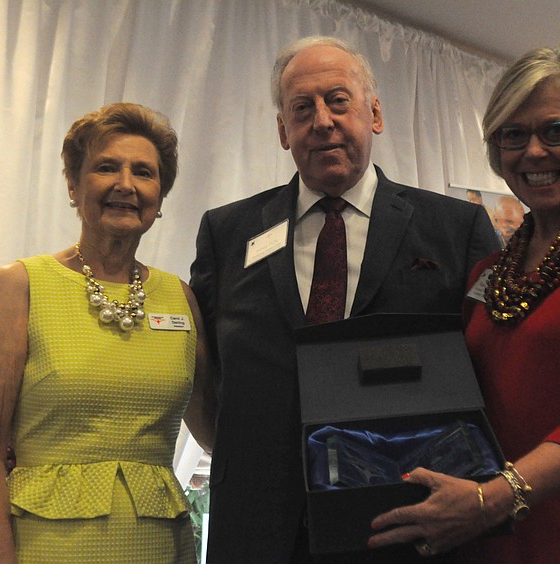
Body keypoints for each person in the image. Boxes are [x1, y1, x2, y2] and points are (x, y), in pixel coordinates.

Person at [189, 36, 500, 563]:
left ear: (374, 113)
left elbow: (496, 366)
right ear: (283, 131)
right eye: (301, 109)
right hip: (259, 530)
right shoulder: (228, 233)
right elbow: (207, 373)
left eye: (339, 100)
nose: (323, 121)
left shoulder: (457, 228)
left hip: (409, 520)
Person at [368, 45, 560, 562]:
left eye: (556, 131)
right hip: (496, 536)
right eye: (513, 135)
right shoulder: (489, 272)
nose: (533, 152)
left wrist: (490, 500)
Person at [0, 102, 214, 563]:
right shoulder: (20, 286)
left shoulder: (180, 299)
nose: (125, 184)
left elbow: (218, 432)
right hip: (45, 548)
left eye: (144, 172)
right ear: (74, 187)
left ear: (159, 198)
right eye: (105, 167)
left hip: (159, 549)